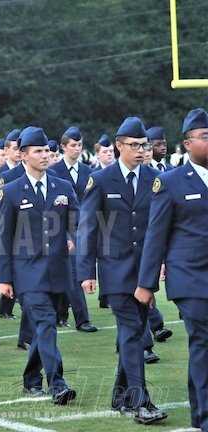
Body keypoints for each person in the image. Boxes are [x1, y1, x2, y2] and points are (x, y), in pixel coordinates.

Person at [77, 116, 167, 424]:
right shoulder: (101, 180)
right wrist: (86, 272)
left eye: (144, 145)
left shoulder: (156, 178)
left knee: (135, 332)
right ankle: (141, 402)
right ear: (119, 145)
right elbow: (87, 228)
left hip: (145, 273)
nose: (142, 150)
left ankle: (120, 396)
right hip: (115, 271)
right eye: (135, 145)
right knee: (132, 334)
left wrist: (163, 261)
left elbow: (161, 226)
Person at [137, 108, 208, 432]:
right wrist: (146, 284)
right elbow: (155, 235)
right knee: (203, 341)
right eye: (205, 136)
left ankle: (200, 414)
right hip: (190, 278)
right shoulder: (170, 182)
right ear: (188, 143)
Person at [0, 126, 78, 405]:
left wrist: (75, 239)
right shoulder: (11, 191)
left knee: (44, 326)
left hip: (57, 270)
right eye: (38, 151)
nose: (45, 155)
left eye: (47, 151)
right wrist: (4, 279)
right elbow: (4, 238)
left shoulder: (63, 187)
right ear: (23, 155)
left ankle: (31, 378)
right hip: (27, 272)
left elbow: (78, 224)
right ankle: (57, 383)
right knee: (46, 322)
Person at [50, 126, 96, 332]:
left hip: (84, 228)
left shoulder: (88, 172)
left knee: (74, 272)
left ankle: (70, 316)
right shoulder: (54, 171)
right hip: (62, 228)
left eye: (79, 145)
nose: (77, 149)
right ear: (63, 147)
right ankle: (76, 318)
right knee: (67, 272)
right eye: (73, 145)